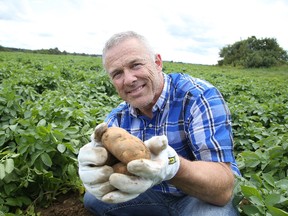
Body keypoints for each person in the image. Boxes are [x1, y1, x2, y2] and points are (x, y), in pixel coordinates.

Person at [78, 31, 240, 216]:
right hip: (152, 197)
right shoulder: (117, 119)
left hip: (199, 198)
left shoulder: (198, 97)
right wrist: (95, 168)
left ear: (157, 63)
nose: (129, 79)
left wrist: (173, 166)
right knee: (94, 198)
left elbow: (223, 190)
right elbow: (109, 170)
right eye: (117, 74)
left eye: (136, 65)